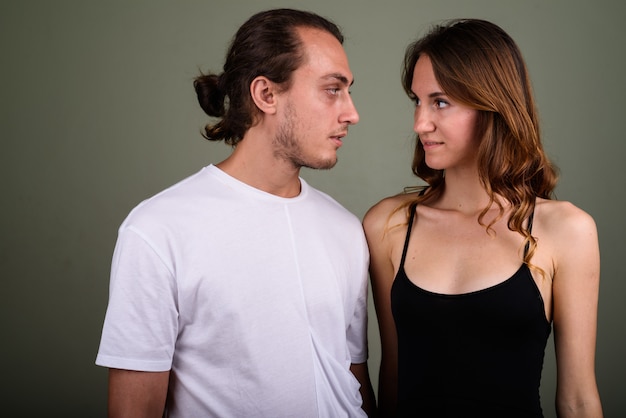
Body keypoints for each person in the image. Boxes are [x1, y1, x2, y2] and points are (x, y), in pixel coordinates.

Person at [96, 8, 376, 417]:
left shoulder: (347, 229)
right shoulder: (158, 230)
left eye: (348, 91)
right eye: (333, 89)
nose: (351, 113)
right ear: (266, 95)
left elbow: (351, 377)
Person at [364, 19, 602, 417]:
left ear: (493, 105)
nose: (420, 123)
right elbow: (393, 379)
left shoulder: (567, 230)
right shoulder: (387, 226)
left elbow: (577, 399)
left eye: (440, 102)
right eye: (417, 101)